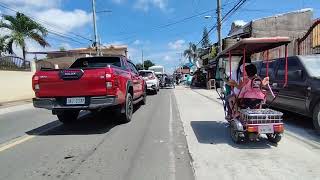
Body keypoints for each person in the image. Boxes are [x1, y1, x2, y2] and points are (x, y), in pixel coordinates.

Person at [224, 56, 251, 120]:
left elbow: (239, 87)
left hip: (240, 93)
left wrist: (233, 83)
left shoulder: (238, 73)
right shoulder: (252, 73)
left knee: (227, 98)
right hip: (250, 93)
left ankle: (231, 113)